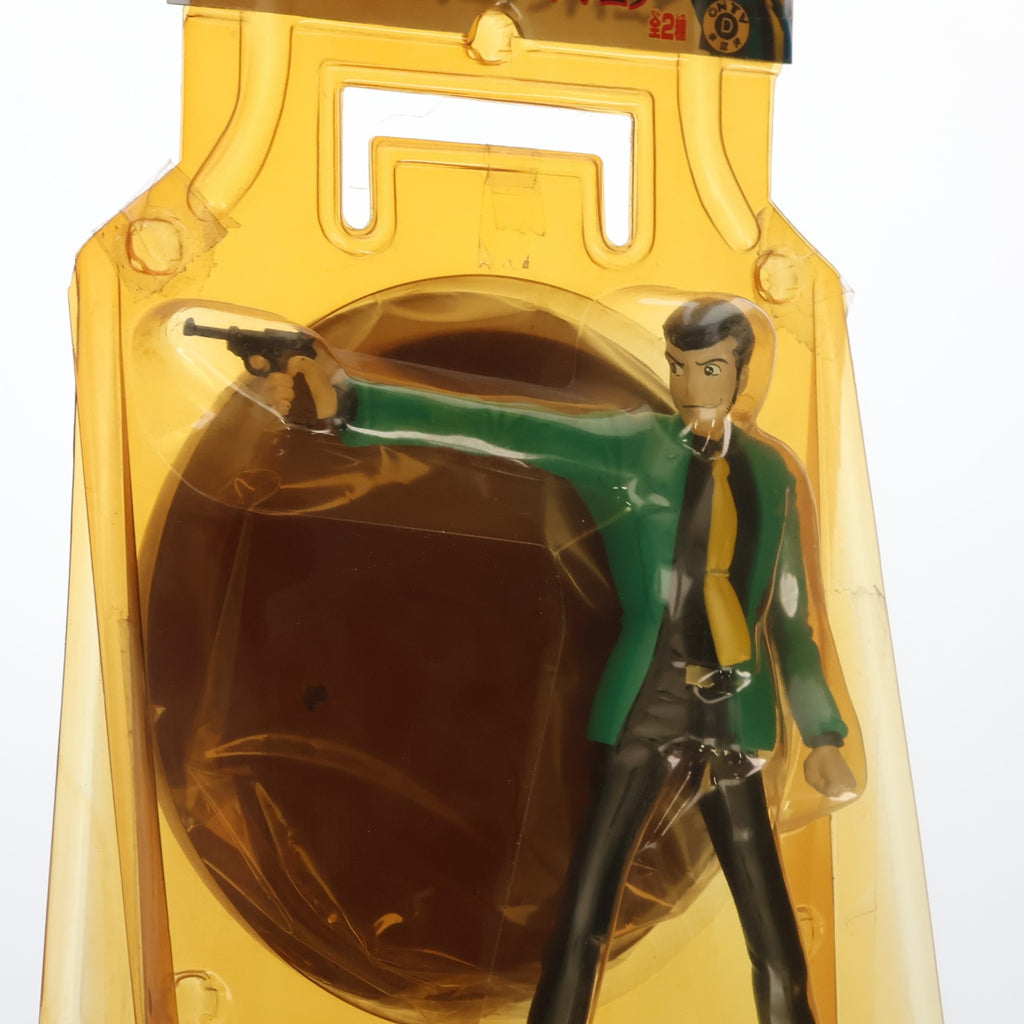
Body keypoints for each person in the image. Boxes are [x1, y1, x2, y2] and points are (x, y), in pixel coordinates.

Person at [256, 297, 857, 1024]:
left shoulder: (771, 473)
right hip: (645, 704)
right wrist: (353, 404)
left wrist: (823, 734)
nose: (688, 386)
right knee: (587, 910)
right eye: (677, 368)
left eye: (708, 369)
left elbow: (789, 618)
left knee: (771, 926)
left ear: (739, 372)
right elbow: (507, 425)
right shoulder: (633, 447)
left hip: (738, 712)